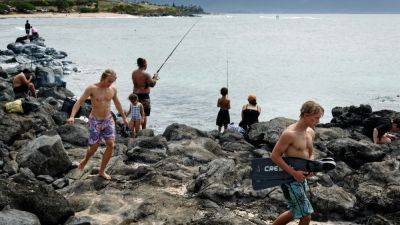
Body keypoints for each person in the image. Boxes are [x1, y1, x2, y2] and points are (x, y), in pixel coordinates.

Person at [67, 69, 129, 180]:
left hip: (108, 120)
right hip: (95, 120)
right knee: (94, 148)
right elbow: (79, 101)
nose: (110, 84)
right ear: (103, 78)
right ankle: (85, 161)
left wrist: (124, 117)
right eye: (109, 81)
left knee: (111, 144)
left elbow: (117, 103)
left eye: (113, 81)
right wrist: (72, 116)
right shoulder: (92, 89)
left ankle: (101, 171)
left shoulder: (112, 89)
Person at [271, 100, 324, 225]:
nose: (318, 121)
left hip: (301, 178)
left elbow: (310, 153)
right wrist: (294, 173)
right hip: (289, 179)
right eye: (316, 118)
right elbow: (274, 156)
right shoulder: (289, 134)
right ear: (306, 115)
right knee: (306, 216)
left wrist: (310, 168)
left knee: (294, 211)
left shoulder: (310, 132)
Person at [131, 57, 158, 129]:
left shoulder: (134, 73)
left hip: (135, 95)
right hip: (144, 96)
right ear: (144, 64)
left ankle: (134, 130)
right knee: (144, 114)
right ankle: (143, 131)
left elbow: (136, 84)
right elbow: (152, 84)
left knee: (136, 114)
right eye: (146, 63)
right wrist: (155, 78)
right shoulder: (146, 74)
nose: (147, 65)